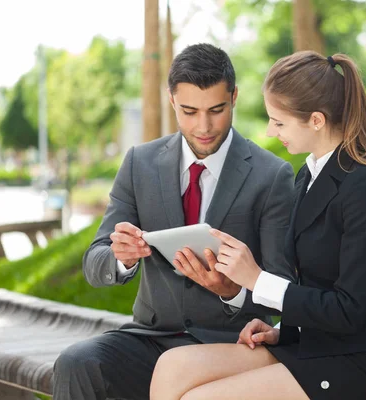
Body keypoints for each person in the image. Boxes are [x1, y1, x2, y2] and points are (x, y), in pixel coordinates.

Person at [149, 51, 366, 400]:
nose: (269, 130)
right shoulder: (308, 175)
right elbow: (315, 282)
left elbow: (350, 310)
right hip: (314, 347)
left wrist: (256, 279)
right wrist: (284, 330)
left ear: (316, 121)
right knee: (172, 366)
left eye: (278, 122)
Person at [52, 43, 296, 400]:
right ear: (171, 101)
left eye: (216, 110)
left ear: (234, 97)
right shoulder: (140, 163)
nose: (204, 126)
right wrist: (123, 257)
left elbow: (283, 284)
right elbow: (95, 263)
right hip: (151, 337)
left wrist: (232, 291)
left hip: (229, 344)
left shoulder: (271, 175)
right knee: (77, 362)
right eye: (189, 111)